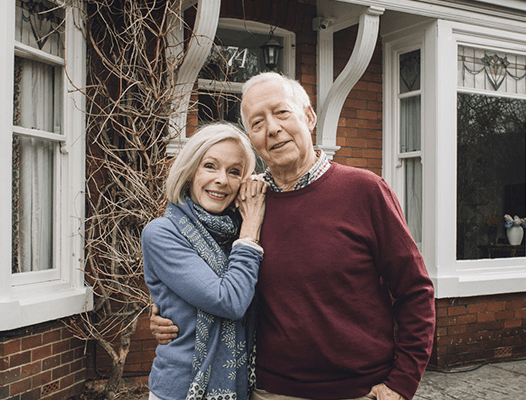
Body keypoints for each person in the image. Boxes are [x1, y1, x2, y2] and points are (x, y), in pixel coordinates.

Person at [152, 72, 436, 400]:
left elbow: (415, 290)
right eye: (257, 123)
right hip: (270, 391)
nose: (272, 128)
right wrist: (164, 315)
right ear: (252, 140)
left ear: (309, 117)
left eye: (282, 112)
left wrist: (402, 381)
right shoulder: (245, 202)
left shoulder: (365, 190)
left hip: (359, 390)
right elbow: (206, 273)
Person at [142, 122, 268, 400]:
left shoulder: (242, 226)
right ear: (189, 172)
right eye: (210, 166)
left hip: (244, 387)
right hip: (179, 391)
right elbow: (229, 301)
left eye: (234, 171)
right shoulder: (162, 233)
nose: (222, 180)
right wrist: (249, 233)